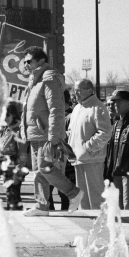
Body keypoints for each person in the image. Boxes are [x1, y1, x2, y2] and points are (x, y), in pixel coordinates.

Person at [19, 47, 84, 216]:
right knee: (39, 171)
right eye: (24, 61)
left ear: (41, 61)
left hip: (46, 134)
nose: (25, 64)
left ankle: (74, 193)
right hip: (35, 134)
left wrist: (54, 135)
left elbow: (56, 108)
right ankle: (42, 206)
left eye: (29, 61)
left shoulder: (49, 79)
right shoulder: (34, 81)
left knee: (45, 167)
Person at [68, 79, 112, 210]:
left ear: (89, 90)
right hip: (78, 158)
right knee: (82, 196)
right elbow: (73, 131)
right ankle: (86, 220)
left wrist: (89, 147)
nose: (76, 93)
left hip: (92, 158)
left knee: (95, 194)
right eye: (74, 90)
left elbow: (105, 132)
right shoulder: (76, 108)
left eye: (79, 90)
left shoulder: (98, 107)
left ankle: (100, 220)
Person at [104, 90, 129, 210]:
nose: (116, 104)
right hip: (116, 171)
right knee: (118, 206)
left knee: (128, 205)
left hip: (128, 172)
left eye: (119, 102)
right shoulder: (116, 123)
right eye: (115, 102)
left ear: (128, 103)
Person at [0, 101, 28, 210]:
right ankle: (12, 210)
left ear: (14, 114)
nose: (5, 118)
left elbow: (22, 151)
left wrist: (20, 168)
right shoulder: (6, 129)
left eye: (7, 115)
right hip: (6, 164)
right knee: (9, 191)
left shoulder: (18, 130)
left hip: (15, 164)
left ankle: (16, 213)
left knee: (14, 191)